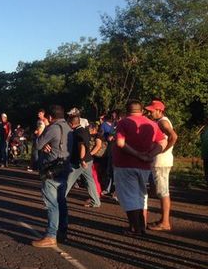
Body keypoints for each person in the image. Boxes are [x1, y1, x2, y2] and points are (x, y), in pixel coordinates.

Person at [112, 100, 166, 236]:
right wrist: (149, 155)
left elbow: (120, 143)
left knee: (129, 197)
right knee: (141, 195)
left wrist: (137, 154)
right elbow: (162, 142)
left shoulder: (123, 122)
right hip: (144, 166)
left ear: (126, 111)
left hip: (125, 164)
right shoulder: (152, 123)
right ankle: (141, 226)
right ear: (141, 110)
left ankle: (135, 228)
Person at [33, 105, 72, 247]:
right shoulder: (68, 128)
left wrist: (41, 132)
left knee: (51, 203)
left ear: (50, 117)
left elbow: (37, 144)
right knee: (62, 201)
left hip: (51, 169)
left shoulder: (52, 128)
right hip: (65, 168)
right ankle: (62, 232)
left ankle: (51, 235)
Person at [146, 100, 178, 231]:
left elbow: (174, 136)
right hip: (161, 161)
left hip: (161, 162)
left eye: (151, 110)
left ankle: (165, 222)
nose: (149, 112)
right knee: (162, 191)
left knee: (163, 192)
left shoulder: (163, 122)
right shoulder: (161, 121)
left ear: (159, 110)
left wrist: (164, 150)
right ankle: (163, 220)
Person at [66, 116, 101, 208]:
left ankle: (58, 199)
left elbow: (82, 146)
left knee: (68, 180)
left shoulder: (77, 133)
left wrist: (82, 160)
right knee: (90, 181)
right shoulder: (85, 130)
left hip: (79, 162)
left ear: (71, 123)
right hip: (88, 160)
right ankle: (96, 201)